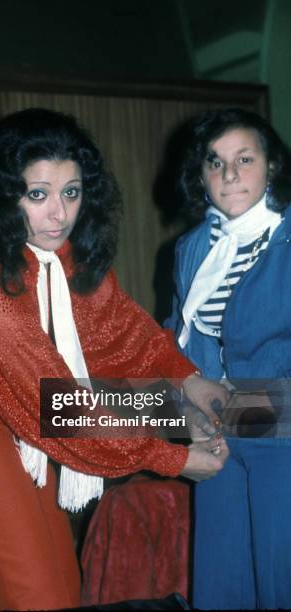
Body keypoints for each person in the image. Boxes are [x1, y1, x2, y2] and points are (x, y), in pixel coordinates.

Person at [0, 108, 228, 611]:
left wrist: (186, 379)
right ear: (0, 196)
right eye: (38, 194)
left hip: (31, 408)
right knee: (34, 590)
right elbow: (62, 410)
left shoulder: (61, 255)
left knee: (53, 576)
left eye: (71, 193)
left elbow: (120, 328)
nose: (59, 214)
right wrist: (175, 459)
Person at [165, 106, 291, 610]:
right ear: (200, 175)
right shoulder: (191, 247)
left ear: (272, 166)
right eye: (215, 163)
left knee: (280, 579)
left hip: (281, 431)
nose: (230, 174)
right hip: (213, 430)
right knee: (220, 582)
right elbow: (176, 337)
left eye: (245, 159)